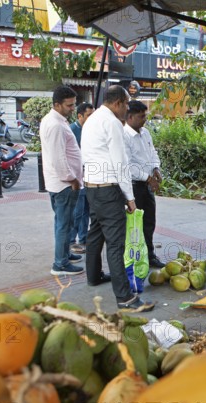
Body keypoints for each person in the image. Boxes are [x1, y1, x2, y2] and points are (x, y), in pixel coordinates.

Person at [81, 85, 154, 312]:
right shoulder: (112, 122)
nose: (127, 109)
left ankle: (93, 276)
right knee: (115, 243)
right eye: (127, 103)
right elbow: (120, 164)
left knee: (95, 233)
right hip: (108, 188)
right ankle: (125, 298)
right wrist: (130, 198)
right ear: (118, 103)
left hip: (92, 186)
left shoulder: (92, 119)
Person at [39, 85, 84, 276]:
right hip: (64, 183)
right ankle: (60, 264)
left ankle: (64, 254)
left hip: (60, 182)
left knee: (63, 221)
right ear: (57, 104)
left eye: (74, 104)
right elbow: (58, 157)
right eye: (69, 105)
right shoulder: (56, 124)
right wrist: (71, 179)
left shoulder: (55, 120)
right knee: (64, 224)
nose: (73, 108)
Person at [123, 100, 165, 268]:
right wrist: (148, 179)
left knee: (149, 222)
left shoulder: (145, 133)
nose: (144, 120)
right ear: (130, 117)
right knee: (135, 225)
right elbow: (127, 165)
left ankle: (149, 254)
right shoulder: (124, 136)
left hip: (147, 185)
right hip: (134, 186)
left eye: (145, 116)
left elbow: (152, 152)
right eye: (141, 117)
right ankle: (135, 259)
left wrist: (156, 168)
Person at [69, 102, 94, 254]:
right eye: (89, 116)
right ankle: (72, 241)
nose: (92, 119)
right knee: (77, 211)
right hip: (77, 177)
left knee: (86, 210)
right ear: (80, 116)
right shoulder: (72, 131)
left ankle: (83, 239)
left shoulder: (91, 130)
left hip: (90, 177)